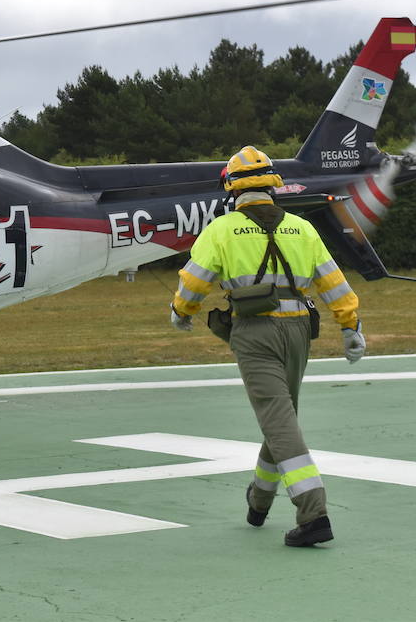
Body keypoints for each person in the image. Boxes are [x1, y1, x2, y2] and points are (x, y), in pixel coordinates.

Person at [168, 146, 366, 547]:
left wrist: (181, 312)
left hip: (254, 333)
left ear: (231, 188)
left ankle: (314, 512)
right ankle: (259, 500)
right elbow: (334, 283)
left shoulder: (221, 230)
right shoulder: (302, 229)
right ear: (275, 185)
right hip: (298, 332)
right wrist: (350, 326)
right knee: (282, 417)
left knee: (278, 421)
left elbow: (193, 283)